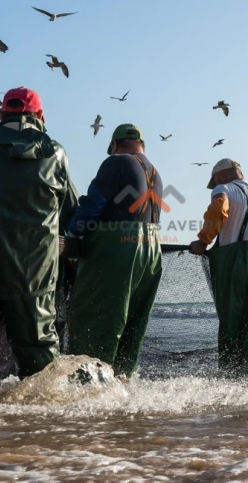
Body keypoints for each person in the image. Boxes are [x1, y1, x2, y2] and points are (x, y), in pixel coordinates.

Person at [0, 86, 80, 381]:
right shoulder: (56, 153)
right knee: (40, 355)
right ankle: (38, 420)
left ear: (1, 114)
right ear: (41, 116)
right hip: (36, 273)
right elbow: (70, 211)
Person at [64, 124, 163, 379]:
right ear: (142, 144)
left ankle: (89, 385)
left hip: (118, 247)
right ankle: (122, 380)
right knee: (132, 321)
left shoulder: (116, 162)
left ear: (115, 144)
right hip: (152, 248)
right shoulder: (154, 173)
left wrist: (73, 233)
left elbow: (94, 203)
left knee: (96, 316)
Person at [189, 158, 248, 376]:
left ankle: (229, 373)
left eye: (214, 181)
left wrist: (203, 241)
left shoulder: (223, 189)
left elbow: (219, 211)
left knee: (230, 319)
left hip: (230, 262)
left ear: (221, 176)